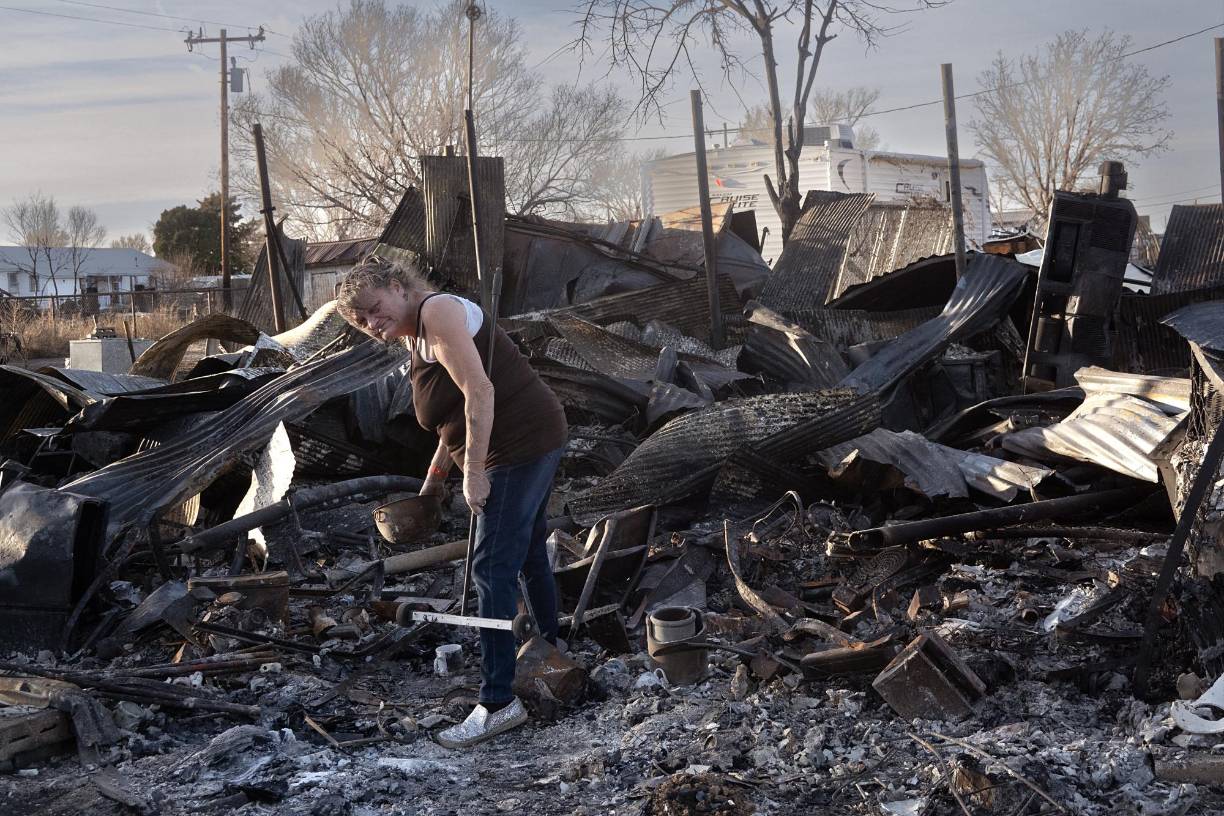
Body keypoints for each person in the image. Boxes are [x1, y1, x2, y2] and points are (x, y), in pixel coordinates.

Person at [336, 254, 567, 749]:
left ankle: (499, 702)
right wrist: (439, 474)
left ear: (399, 286)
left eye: (375, 309)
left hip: (518, 446)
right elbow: (450, 412)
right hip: (530, 438)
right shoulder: (415, 334)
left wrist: (477, 472)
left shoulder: (437, 312)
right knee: (525, 550)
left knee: (489, 569)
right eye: (363, 322)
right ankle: (553, 647)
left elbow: (480, 391)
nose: (374, 325)